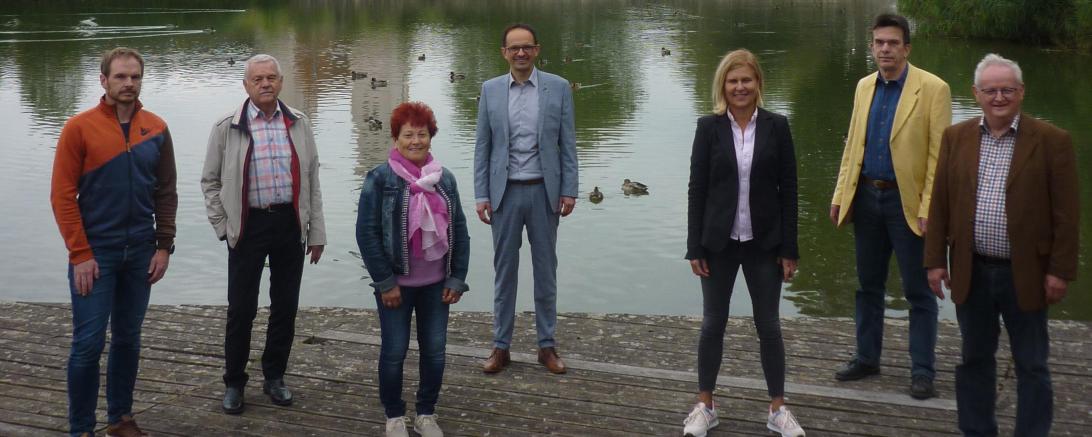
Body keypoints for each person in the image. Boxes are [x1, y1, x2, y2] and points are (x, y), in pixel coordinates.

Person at [925, 53, 1077, 437]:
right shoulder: (955, 138)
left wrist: (1060, 271)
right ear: (975, 94)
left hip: (1026, 271)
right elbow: (939, 203)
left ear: (1021, 93)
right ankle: (977, 430)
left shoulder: (1052, 141)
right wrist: (934, 262)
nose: (998, 97)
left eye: (1007, 89)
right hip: (971, 269)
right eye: (990, 90)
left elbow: (1067, 214)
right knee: (974, 358)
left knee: (1032, 364)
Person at [51, 47, 177, 437]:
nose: (128, 84)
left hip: (141, 250)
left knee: (128, 338)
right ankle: (81, 428)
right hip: (96, 253)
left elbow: (166, 192)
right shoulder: (79, 128)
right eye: (120, 77)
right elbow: (62, 195)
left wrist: (163, 245)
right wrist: (81, 253)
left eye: (135, 77)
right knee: (88, 343)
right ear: (103, 80)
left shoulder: (156, 127)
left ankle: (119, 418)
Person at [682, 49, 804, 437]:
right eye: (733, 81)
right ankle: (705, 405)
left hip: (764, 242)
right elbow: (696, 188)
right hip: (717, 242)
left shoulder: (777, 126)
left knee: (768, 325)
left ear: (758, 84)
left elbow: (790, 190)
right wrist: (694, 246)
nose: (740, 87)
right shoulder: (708, 127)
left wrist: (790, 247)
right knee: (712, 324)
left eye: (746, 80)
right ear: (723, 85)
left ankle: (778, 409)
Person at [829, 13, 951, 399]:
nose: (885, 49)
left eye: (893, 43)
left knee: (918, 290)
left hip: (908, 202)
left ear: (906, 48)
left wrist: (930, 206)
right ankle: (867, 358)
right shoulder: (864, 86)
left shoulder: (933, 89)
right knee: (867, 286)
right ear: (872, 47)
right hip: (866, 196)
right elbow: (853, 146)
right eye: (879, 42)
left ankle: (922, 370)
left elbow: (939, 158)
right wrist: (839, 195)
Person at [201, 53, 326, 414]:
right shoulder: (228, 126)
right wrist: (223, 226)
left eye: (271, 77)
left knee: (285, 307)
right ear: (246, 85)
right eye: (258, 79)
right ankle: (234, 383)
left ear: (281, 82)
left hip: (289, 224)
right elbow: (209, 181)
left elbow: (313, 182)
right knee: (241, 309)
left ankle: (274, 377)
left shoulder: (299, 123)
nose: (265, 84)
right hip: (247, 226)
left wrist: (315, 231)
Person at [356, 101, 470, 437]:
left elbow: (459, 230)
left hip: (437, 283)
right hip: (396, 286)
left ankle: (426, 413)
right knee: (394, 351)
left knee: (434, 351)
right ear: (396, 138)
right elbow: (366, 234)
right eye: (408, 135)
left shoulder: (444, 178)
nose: (415, 141)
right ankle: (394, 415)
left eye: (422, 134)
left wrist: (457, 277)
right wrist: (385, 282)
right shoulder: (380, 179)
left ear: (430, 138)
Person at [473, 23, 578, 374]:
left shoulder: (558, 88)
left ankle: (546, 345)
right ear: (504, 52)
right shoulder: (489, 91)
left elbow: (567, 144)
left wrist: (569, 189)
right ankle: (501, 346)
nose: (521, 53)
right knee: (505, 273)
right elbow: (483, 148)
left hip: (544, 193)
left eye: (527, 47)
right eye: (514, 48)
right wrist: (481, 194)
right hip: (503, 195)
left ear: (537, 50)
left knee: (546, 272)